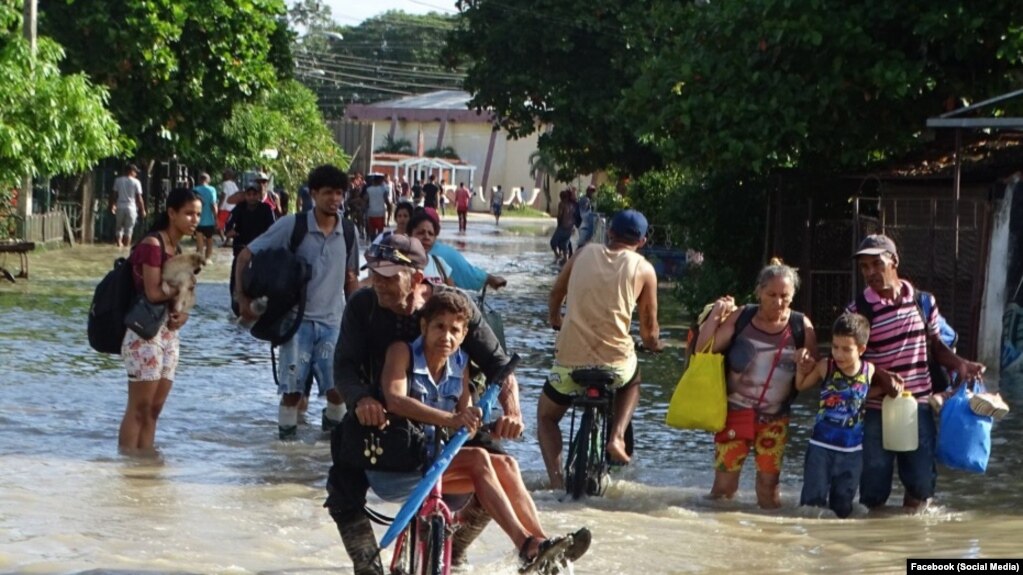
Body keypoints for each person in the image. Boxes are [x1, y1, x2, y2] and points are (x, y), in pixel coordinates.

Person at [326, 233, 526, 574]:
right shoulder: (362, 306)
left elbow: (500, 367)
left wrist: (513, 411)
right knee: (342, 484)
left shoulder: (454, 307)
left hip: (450, 416)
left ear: (417, 278)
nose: (377, 284)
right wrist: (360, 399)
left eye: (388, 277)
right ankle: (367, 563)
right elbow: (343, 365)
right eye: (374, 274)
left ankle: (459, 547)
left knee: (500, 464)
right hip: (383, 417)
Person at [371, 290, 590, 570]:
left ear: (463, 336)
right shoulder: (402, 352)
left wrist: (494, 426)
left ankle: (541, 545)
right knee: (478, 459)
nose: (446, 337)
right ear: (424, 326)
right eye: (439, 327)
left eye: (454, 330)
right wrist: (451, 420)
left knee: (507, 462)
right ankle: (524, 543)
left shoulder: (460, 364)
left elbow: (467, 424)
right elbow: (395, 400)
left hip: (436, 465)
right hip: (397, 465)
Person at [847, 234, 985, 510]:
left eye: (877, 264)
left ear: (894, 261)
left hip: (918, 404)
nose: (870, 272)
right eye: (864, 267)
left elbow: (936, 346)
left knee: (921, 483)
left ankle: (913, 543)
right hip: (876, 406)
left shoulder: (923, 302)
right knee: (874, 483)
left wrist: (959, 364)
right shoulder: (858, 311)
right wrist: (880, 375)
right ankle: (874, 544)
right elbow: (848, 363)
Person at [538, 210, 664, 488]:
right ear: (642, 241)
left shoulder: (582, 253)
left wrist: (555, 319)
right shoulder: (644, 268)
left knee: (546, 417)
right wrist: (654, 344)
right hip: (616, 365)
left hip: (569, 363)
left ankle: (557, 484)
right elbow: (648, 329)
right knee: (633, 381)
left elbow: (556, 293)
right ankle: (617, 436)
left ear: (609, 233)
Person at [234, 165, 360, 440]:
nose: (334, 200)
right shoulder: (293, 225)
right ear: (314, 194)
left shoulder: (350, 232)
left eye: (339, 194)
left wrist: (358, 322)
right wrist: (241, 298)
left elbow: (351, 279)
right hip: (295, 324)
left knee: (337, 391)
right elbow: (245, 255)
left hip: (333, 324)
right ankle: (287, 452)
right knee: (291, 392)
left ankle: (330, 450)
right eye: (328, 193)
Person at [695, 258, 818, 509]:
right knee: (723, 488)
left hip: (775, 419)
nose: (778, 302)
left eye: (784, 295)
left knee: (768, 489)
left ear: (793, 296)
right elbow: (703, 349)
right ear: (759, 292)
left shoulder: (801, 326)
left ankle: (767, 540)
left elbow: (806, 383)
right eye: (771, 294)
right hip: (734, 413)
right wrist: (717, 312)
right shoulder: (743, 317)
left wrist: (806, 365)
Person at [118, 188, 200, 452]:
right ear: (171, 213)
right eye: (188, 213)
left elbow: (186, 297)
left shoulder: (178, 249)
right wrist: (182, 285)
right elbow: (154, 293)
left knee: (154, 409)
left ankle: (144, 466)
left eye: (198, 214)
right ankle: (128, 465)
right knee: (139, 408)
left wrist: (184, 314)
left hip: (168, 334)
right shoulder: (152, 245)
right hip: (144, 334)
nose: (194, 219)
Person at [795, 313, 898, 518]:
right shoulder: (827, 366)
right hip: (820, 449)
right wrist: (801, 368)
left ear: (861, 349)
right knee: (811, 505)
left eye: (846, 349)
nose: (838, 355)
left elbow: (861, 393)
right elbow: (801, 385)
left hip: (852, 452)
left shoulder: (869, 370)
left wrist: (891, 389)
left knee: (843, 506)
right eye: (835, 347)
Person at [224, 184, 276, 316]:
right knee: (236, 277)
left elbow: (273, 229)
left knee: (263, 279)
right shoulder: (239, 208)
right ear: (245, 196)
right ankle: (236, 304)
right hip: (241, 249)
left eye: (254, 194)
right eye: (249, 194)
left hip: (260, 251)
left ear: (259, 195)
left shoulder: (266, 209)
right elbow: (228, 225)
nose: (252, 197)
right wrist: (231, 232)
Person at [408, 209, 454, 286]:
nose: (426, 237)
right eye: (421, 233)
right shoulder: (401, 266)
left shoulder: (439, 264)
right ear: (409, 235)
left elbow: (453, 294)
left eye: (431, 234)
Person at [110, 163, 147, 249]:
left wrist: (113, 205)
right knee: (129, 229)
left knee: (119, 228)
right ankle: (126, 248)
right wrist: (143, 209)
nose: (136, 174)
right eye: (135, 172)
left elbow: (114, 195)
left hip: (120, 206)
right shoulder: (136, 182)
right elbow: (139, 197)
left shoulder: (118, 180)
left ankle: (119, 245)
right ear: (131, 171)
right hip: (131, 208)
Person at [192, 173, 218, 264]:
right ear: (208, 180)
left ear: (199, 180)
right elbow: (213, 205)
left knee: (199, 242)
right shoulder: (212, 190)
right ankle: (208, 259)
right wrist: (216, 218)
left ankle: (199, 260)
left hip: (198, 220)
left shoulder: (195, 189)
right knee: (209, 241)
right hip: (209, 221)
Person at [550, 189, 577, 264]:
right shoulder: (573, 205)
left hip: (562, 227)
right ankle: (566, 260)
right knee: (564, 244)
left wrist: (558, 225)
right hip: (570, 228)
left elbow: (559, 215)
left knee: (553, 242)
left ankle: (557, 255)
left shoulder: (562, 204)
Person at [364, 174, 392, 238]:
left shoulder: (368, 190)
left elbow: (365, 201)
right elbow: (387, 203)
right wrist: (388, 219)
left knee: (372, 233)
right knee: (380, 234)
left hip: (371, 213)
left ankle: (372, 244)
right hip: (381, 214)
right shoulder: (383, 190)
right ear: (380, 181)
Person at [218, 169, 238, 245]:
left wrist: (219, 206)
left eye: (224, 174)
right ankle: (227, 240)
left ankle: (224, 240)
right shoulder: (234, 184)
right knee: (229, 224)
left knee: (219, 224)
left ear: (228, 175)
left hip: (224, 207)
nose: (223, 175)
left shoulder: (225, 183)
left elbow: (223, 195)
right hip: (233, 207)